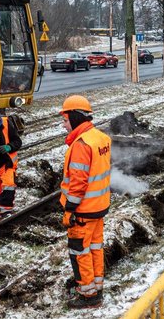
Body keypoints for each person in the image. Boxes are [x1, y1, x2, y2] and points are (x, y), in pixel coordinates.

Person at [58, 95, 111, 309]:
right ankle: (97, 286)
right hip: (99, 206)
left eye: (65, 119)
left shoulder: (81, 145)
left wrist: (69, 210)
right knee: (96, 248)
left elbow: (78, 184)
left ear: (75, 117)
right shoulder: (100, 138)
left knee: (79, 251)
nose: (63, 125)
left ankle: (88, 295)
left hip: (83, 211)